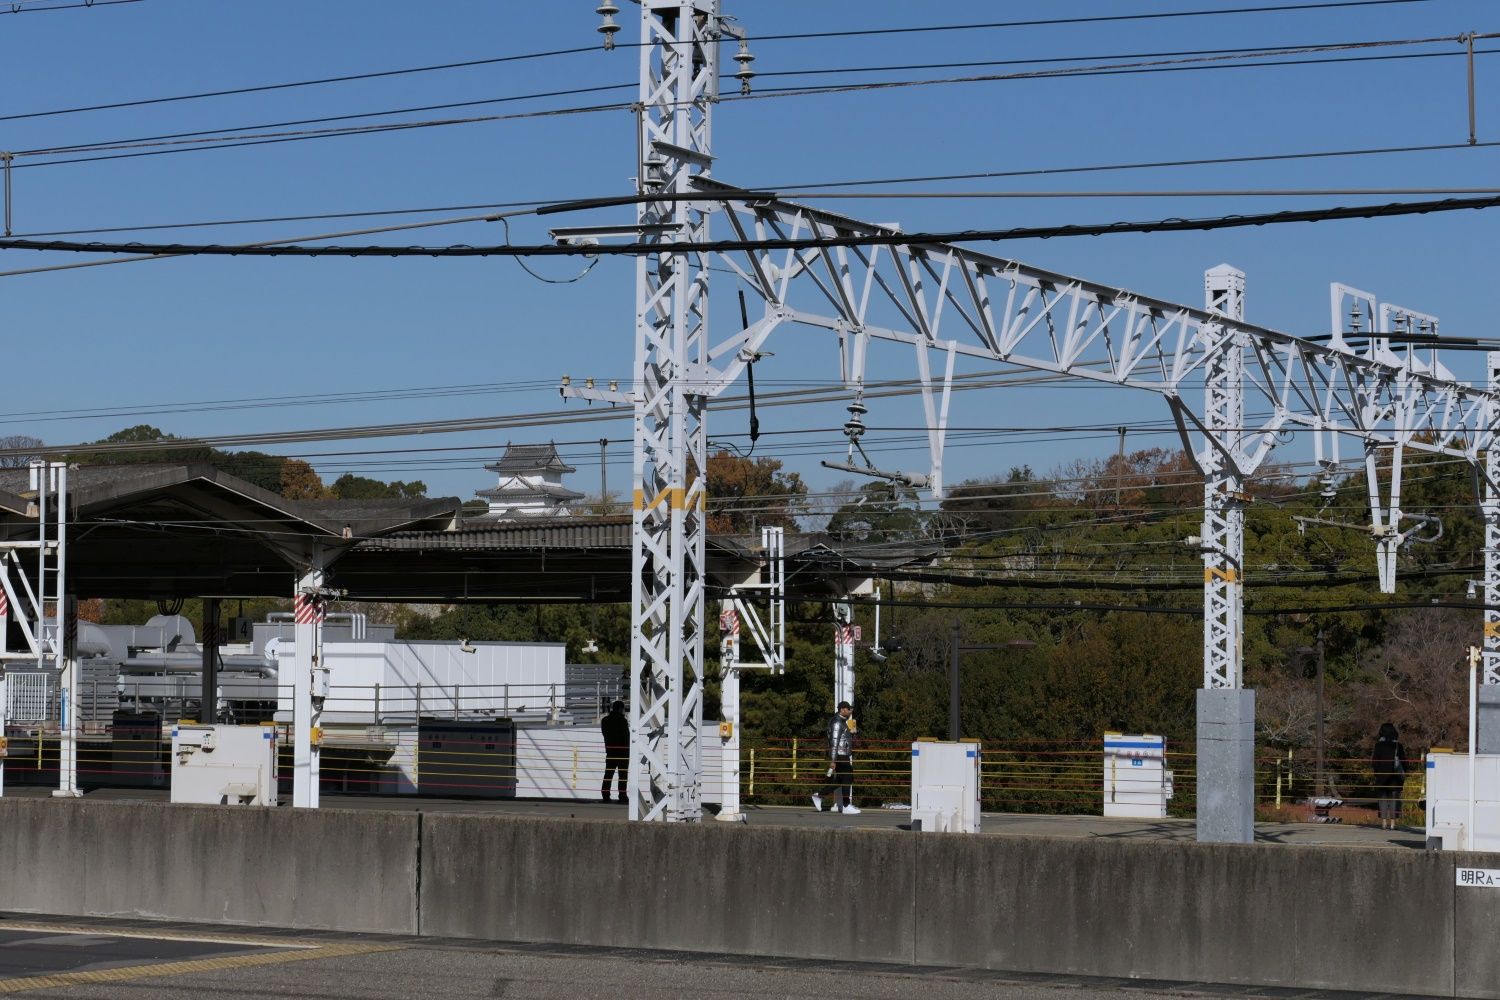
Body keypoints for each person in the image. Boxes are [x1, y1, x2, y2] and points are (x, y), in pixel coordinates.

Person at [811, 700, 861, 815]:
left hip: (842, 754)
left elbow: (844, 738)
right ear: (842, 709)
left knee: (840, 780)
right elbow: (834, 742)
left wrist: (853, 733)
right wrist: (833, 760)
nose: (850, 712)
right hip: (840, 755)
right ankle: (846, 805)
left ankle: (819, 795)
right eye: (848, 709)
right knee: (848, 776)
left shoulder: (842, 722)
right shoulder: (837, 722)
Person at [1371, 721, 1407, 831]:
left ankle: (1383, 823)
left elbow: (1374, 762)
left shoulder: (1378, 745)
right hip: (1395, 778)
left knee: (1382, 800)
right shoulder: (1398, 746)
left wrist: (1377, 773)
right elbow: (1404, 762)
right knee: (1394, 800)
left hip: (1382, 777)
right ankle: (1393, 824)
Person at [600, 700, 629, 804]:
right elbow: (626, 737)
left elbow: (605, 735)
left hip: (610, 751)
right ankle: (622, 796)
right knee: (622, 776)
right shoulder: (623, 721)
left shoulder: (605, 721)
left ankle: (605, 795)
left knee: (608, 774)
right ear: (621, 709)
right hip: (623, 752)